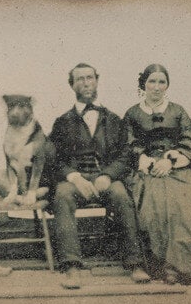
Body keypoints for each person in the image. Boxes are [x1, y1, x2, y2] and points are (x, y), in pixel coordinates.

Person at [123, 64, 191, 284]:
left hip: (178, 166)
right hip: (149, 170)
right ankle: (166, 267)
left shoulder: (178, 111)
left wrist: (171, 160)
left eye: (161, 82)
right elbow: (128, 144)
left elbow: (189, 140)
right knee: (158, 202)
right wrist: (147, 160)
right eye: (152, 81)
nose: (156, 87)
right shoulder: (133, 113)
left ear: (167, 85)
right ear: (143, 84)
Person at [49, 63, 151, 289]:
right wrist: (74, 177)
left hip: (105, 178)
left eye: (89, 78)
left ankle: (135, 263)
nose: (86, 83)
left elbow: (125, 155)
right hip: (77, 180)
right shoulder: (62, 122)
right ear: (72, 85)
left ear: (97, 80)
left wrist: (107, 175)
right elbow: (54, 159)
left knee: (122, 195)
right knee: (62, 195)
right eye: (80, 79)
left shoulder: (114, 120)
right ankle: (72, 266)